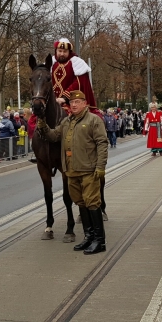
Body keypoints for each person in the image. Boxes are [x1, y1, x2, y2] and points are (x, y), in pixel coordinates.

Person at [36, 90, 108, 255]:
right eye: (72, 103)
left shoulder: (93, 120)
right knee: (81, 203)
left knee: (92, 203)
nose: (74, 105)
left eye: (77, 102)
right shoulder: (67, 121)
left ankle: (99, 240)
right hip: (72, 170)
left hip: (88, 169)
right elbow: (53, 136)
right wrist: (42, 125)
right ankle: (89, 237)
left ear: (84, 103)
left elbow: (102, 144)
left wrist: (100, 167)